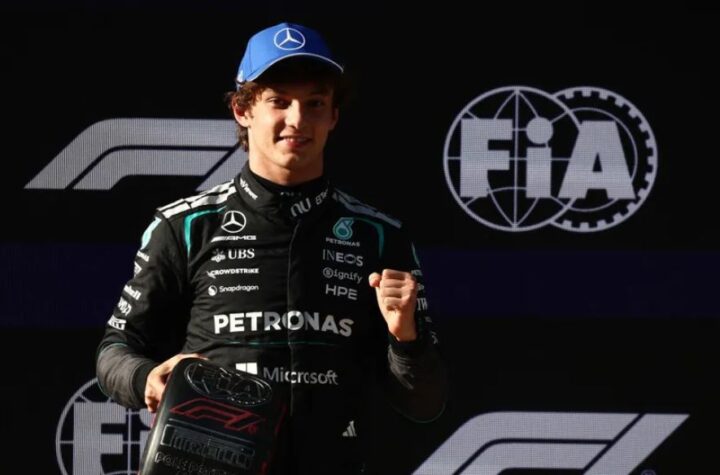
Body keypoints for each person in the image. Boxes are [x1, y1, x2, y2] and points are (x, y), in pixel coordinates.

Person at [96, 21, 447, 475]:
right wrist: (145, 377)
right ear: (242, 110)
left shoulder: (379, 236)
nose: (298, 120)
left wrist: (406, 339)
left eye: (314, 103)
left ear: (333, 116)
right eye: (279, 102)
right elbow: (115, 349)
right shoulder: (185, 227)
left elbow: (425, 403)